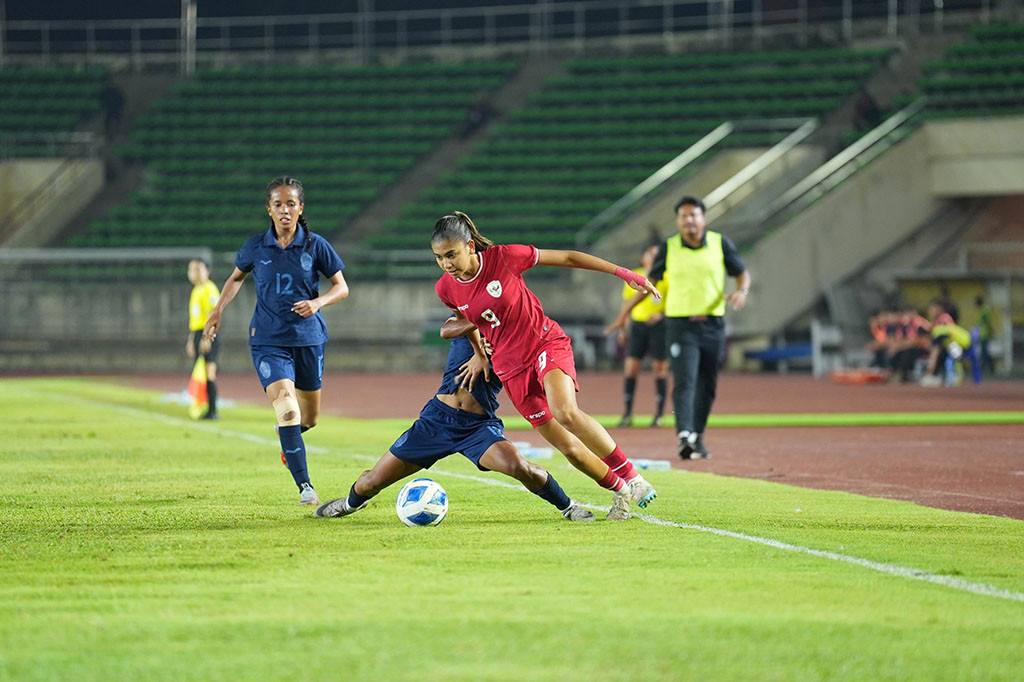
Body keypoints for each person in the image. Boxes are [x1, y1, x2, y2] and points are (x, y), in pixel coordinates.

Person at [432, 211, 661, 521]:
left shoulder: (505, 258)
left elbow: (567, 257)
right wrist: (479, 353)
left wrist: (623, 273)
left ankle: (633, 478)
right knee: (570, 450)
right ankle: (621, 490)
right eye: (439, 258)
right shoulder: (446, 288)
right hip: (511, 370)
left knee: (565, 411)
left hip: (544, 343)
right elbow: (465, 319)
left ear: (470, 246)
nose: (446, 264)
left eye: (451, 255)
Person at [315, 316, 595, 522]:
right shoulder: (469, 318)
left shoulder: (516, 344)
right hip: (437, 421)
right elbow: (447, 328)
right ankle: (349, 505)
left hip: (478, 427)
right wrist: (479, 352)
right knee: (371, 482)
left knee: (520, 467)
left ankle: (568, 507)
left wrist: (497, 356)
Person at [203, 177, 349, 507]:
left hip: (309, 339)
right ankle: (305, 487)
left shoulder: (316, 245)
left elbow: (342, 287)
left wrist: (318, 303)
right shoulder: (256, 247)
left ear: (301, 208)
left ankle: (287, 435)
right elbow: (235, 278)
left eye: (291, 204)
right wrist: (217, 311)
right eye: (278, 204)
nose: (285, 210)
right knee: (287, 408)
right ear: (269, 209)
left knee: (308, 419)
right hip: (268, 340)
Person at [607, 196, 750, 461]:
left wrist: (741, 291)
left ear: (703, 218)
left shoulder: (720, 243)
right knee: (685, 380)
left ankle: (697, 437)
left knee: (708, 384)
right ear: (677, 221)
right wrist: (624, 314)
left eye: (694, 215)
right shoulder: (669, 248)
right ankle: (684, 435)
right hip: (680, 325)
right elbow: (649, 283)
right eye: (683, 216)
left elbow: (742, 272)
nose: (689, 220)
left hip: (713, 324)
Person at [612, 243, 669, 427]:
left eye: (656, 255)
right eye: (650, 255)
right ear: (643, 258)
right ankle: (627, 414)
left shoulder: (667, 277)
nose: (653, 258)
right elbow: (626, 304)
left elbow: (674, 302)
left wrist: (661, 314)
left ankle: (659, 415)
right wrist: (623, 329)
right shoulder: (634, 275)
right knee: (631, 368)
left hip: (660, 326)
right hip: (638, 326)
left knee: (660, 369)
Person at [185, 258, 221, 419]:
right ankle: (204, 407)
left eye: (198, 269)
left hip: (208, 334)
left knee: (209, 372)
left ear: (207, 271)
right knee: (201, 372)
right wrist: (191, 339)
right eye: (192, 270)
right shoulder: (196, 290)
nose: (195, 273)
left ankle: (212, 411)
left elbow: (213, 314)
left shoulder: (209, 289)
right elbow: (195, 319)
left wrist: (207, 338)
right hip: (198, 333)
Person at [975, 294, 995, 376]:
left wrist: (991, 332)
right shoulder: (981, 311)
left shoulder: (984, 311)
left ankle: (982, 368)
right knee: (985, 351)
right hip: (981, 334)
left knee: (984, 352)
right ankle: (991, 367)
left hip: (985, 334)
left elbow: (987, 322)